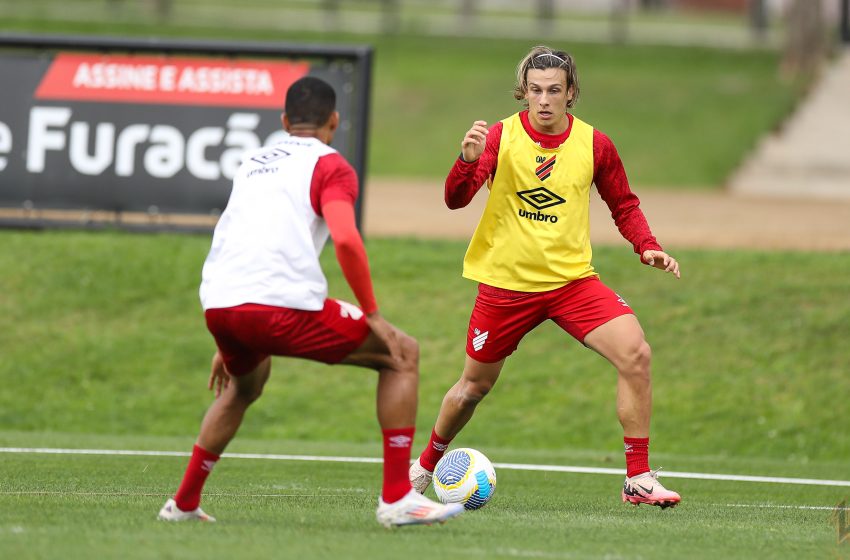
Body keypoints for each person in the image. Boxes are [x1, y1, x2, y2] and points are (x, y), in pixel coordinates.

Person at [157, 76, 463, 527]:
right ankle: (398, 497)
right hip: (278, 305)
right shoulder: (330, 165)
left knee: (246, 384)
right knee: (402, 354)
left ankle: (182, 504)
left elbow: (239, 237)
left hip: (220, 303)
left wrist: (227, 339)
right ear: (334, 121)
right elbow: (346, 240)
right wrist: (374, 315)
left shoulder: (252, 162)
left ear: (284, 122)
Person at [409, 46, 682, 509]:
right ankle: (426, 466)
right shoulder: (500, 137)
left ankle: (638, 478)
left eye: (554, 90)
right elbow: (456, 199)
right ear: (524, 92)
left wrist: (647, 245)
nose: (544, 100)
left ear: (571, 92)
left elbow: (624, 204)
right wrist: (466, 160)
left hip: (572, 283)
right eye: (535, 90)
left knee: (636, 353)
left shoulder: (596, 144)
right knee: (473, 387)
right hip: (506, 285)